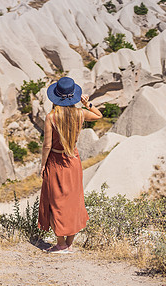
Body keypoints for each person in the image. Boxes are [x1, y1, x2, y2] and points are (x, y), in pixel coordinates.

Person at [38, 76, 102, 253]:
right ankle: (70, 244)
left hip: (56, 162)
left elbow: (47, 145)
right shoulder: (79, 113)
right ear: (73, 96)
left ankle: (60, 244)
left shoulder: (51, 117)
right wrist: (86, 103)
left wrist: (43, 165)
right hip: (73, 160)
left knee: (55, 202)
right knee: (73, 202)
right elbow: (98, 115)